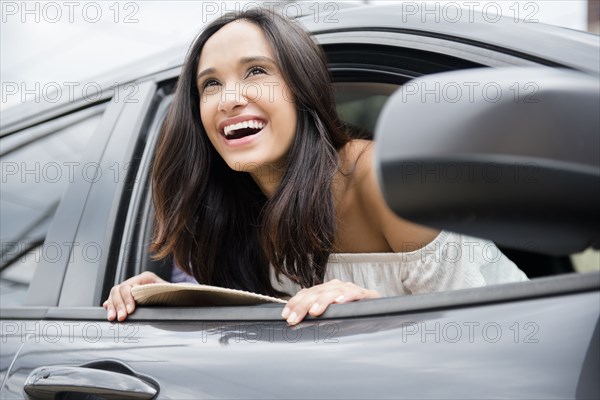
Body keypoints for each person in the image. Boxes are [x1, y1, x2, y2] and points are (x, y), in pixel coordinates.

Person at [103, 8, 527, 325]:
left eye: (255, 71)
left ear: (301, 87)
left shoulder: (380, 178)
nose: (229, 97)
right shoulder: (228, 210)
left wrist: (375, 315)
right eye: (210, 84)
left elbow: (493, 334)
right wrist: (166, 300)